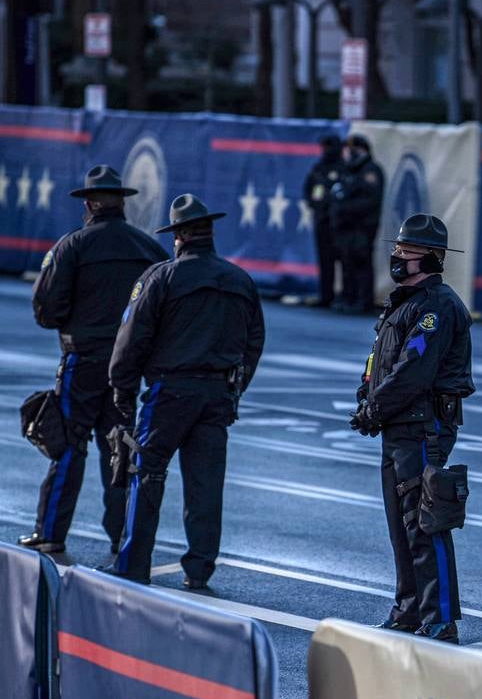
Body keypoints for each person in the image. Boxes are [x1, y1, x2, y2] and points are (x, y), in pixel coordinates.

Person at [103, 195, 265, 589]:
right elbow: (253, 342)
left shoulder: (161, 277)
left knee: (146, 472)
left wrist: (122, 387)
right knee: (205, 484)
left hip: (169, 391)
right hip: (217, 393)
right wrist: (235, 388)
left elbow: (132, 338)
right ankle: (199, 568)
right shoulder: (240, 280)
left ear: (178, 236)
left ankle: (132, 564)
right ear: (209, 233)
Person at [19, 166, 167, 556]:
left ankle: (51, 533)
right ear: (122, 203)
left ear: (87, 204)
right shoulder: (149, 249)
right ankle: (123, 538)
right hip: (127, 365)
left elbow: (46, 310)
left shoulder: (72, 246)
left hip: (82, 360)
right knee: (120, 449)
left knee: (68, 445)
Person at [351, 214, 474, 643]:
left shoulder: (435, 307)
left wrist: (375, 408)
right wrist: (367, 394)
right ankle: (409, 609)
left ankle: (440, 617)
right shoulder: (404, 302)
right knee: (401, 522)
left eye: (407, 251)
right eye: (398, 249)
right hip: (399, 423)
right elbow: (381, 359)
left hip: (423, 426)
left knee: (426, 520)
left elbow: (413, 371)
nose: (397, 256)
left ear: (432, 258)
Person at [330, 134, 385, 313]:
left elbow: (370, 201)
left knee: (362, 262)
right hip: (345, 226)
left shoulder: (371, 171)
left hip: (362, 226)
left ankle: (363, 300)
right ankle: (349, 297)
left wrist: (346, 208)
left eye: (354, 150)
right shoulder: (347, 170)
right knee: (346, 263)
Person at [303, 134, 344, 308]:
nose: (326, 150)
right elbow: (308, 188)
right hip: (321, 220)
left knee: (345, 261)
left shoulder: (344, 168)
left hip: (340, 222)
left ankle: (345, 296)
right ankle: (326, 295)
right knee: (325, 260)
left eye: (329, 146)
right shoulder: (318, 167)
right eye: (324, 147)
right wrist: (315, 205)